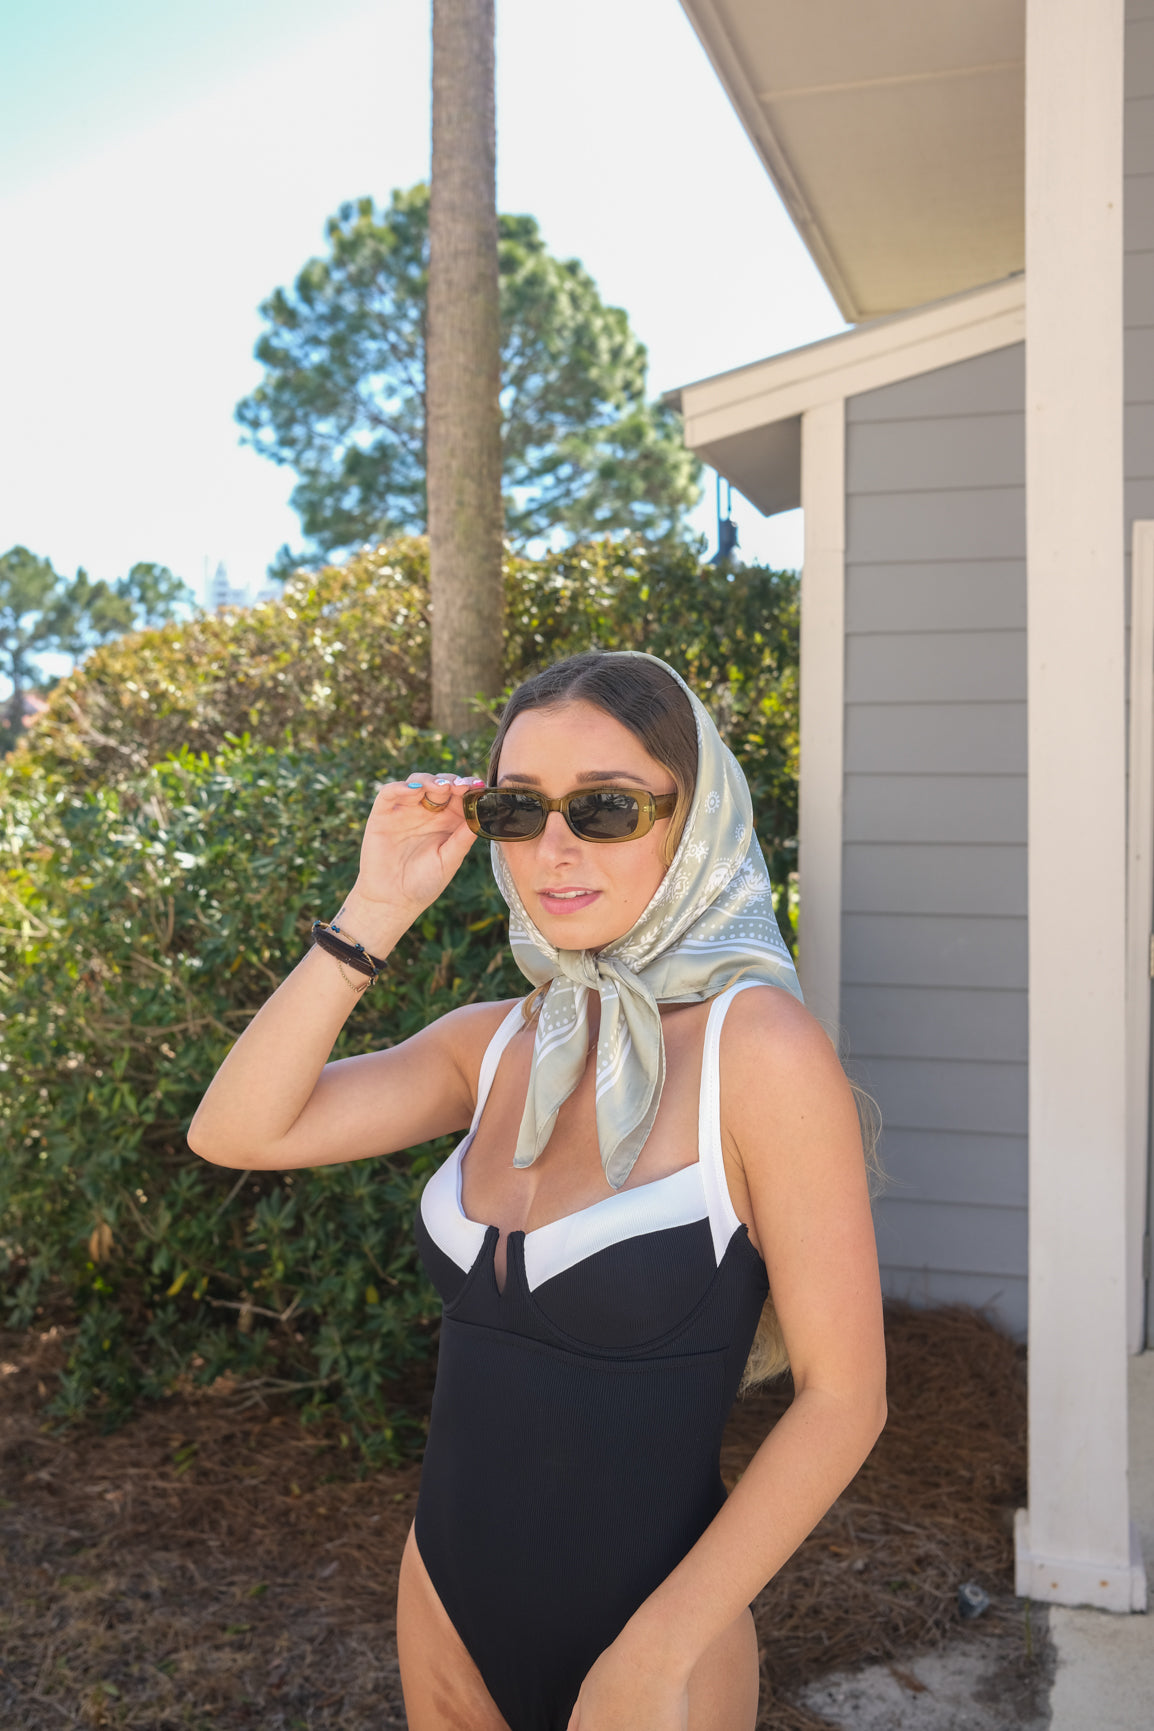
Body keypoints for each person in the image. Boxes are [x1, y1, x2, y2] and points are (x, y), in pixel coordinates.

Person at [188, 649, 886, 1731]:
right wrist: (373, 907)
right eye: (519, 810)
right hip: (444, 1608)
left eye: (604, 807)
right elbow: (235, 1130)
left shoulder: (760, 1051)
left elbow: (844, 1398)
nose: (553, 849)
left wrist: (654, 1655)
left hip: (653, 1658)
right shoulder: (497, 1043)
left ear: (691, 819)